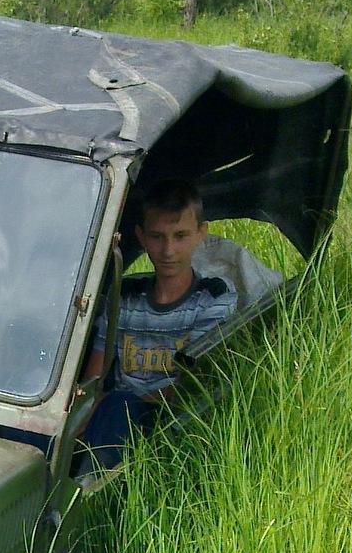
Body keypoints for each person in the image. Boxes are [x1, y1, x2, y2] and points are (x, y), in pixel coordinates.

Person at [79, 178, 236, 467]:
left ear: (201, 234)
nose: (168, 251)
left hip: (170, 418)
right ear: (140, 236)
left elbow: (191, 386)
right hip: (110, 416)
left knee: (118, 406)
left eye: (180, 236)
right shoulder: (125, 294)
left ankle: (90, 495)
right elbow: (95, 375)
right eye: (157, 237)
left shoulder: (213, 297)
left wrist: (108, 405)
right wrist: (83, 411)